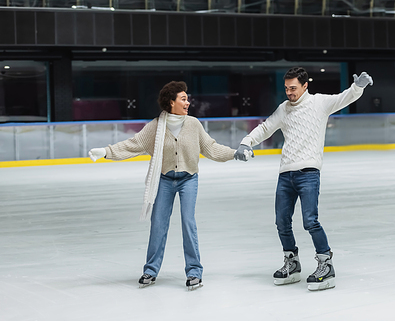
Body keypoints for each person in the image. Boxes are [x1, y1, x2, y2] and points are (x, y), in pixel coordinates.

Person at [234, 67, 373, 291]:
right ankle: (292, 263)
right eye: (287, 88)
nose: (289, 92)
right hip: (285, 174)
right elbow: (266, 128)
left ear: (305, 85)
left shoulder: (319, 103)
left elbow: (343, 98)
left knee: (310, 221)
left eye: (294, 88)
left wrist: (358, 87)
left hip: (308, 173)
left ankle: (326, 264)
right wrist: (246, 142)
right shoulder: (284, 109)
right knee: (282, 222)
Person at [88, 81, 237, 291]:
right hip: (165, 180)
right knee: (158, 224)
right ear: (171, 102)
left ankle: (194, 272)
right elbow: (133, 144)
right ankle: (150, 270)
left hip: (188, 179)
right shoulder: (155, 127)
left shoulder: (193, 124)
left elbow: (210, 148)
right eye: (183, 99)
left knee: (188, 222)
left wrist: (234, 153)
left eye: (187, 98)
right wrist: (106, 151)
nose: (188, 102)